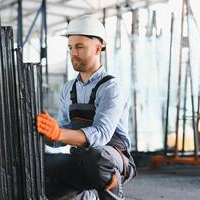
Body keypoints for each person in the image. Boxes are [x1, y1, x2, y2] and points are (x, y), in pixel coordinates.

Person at [36, 15, 137, 200]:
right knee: (42, 163)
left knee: (95, 157)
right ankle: (86, 197)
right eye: (71, 47)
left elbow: (101, 135)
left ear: (98, 49)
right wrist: (44, 132)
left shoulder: (111, 87)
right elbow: (63, 134)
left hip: (112, 159)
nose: (73, 52)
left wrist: (59, 133)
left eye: (80, 47)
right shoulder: (68, 89)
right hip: (80, 158)